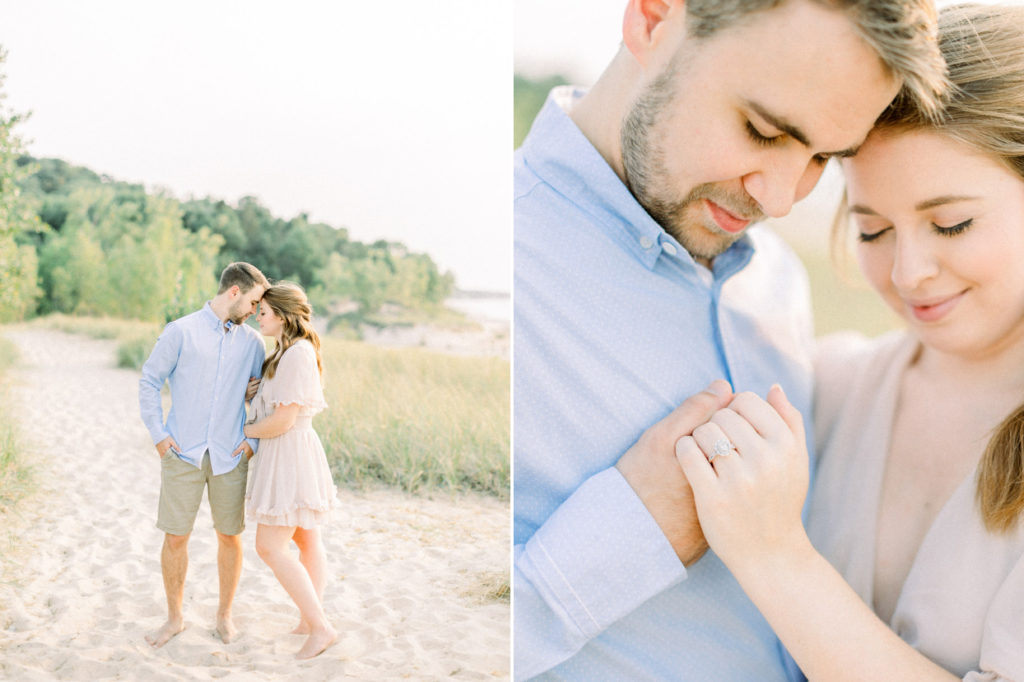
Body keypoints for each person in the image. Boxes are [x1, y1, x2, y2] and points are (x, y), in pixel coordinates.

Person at [513, 0, 948, 679]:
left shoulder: (775, 279)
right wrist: (630, 534)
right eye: (762, 130)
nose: (780, 199)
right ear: (653, 18)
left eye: (824, 159)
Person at [674, 4, 1024, 679]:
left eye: (951, 224)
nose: (907, 273)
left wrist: (777, 557)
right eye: (872, 231)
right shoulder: (829, 386)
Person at [139, 261, 269, 647]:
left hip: (231, 454)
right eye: (253, 302)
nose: (255, 312)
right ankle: (175, 618)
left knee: (230, 536)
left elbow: (262, 396)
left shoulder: (253, 343)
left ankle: (224, 616)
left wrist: (253, 443)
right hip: (182, 452)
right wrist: (160, 436)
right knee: (176, 537)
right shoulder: (181, 331)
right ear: (234, 292)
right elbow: (149, 380)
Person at [243, 282, 338, 659]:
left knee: (269, 546)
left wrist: (244, 433)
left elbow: (284, 420)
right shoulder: (284, 352)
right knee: (306, 540)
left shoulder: (297, 353)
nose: (256, 316)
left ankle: (320, 627)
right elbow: (279, 404)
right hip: (294, 452)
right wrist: (257, 393)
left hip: (290, 453)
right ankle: (308, 619)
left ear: (281, 316)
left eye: (262, 312)